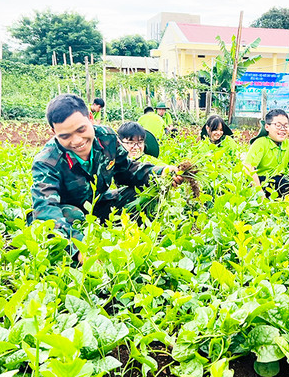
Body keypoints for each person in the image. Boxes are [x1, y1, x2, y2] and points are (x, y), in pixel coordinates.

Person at [30, 94, 186, 263]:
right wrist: (80, 249)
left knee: (141, 194)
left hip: (98, 207)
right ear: (54, 132)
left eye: (81, 130)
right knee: (68, 215)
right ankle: (77, 248)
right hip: (68, 217)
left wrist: (161, 172)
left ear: (90, 118)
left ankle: (129, 236)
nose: (77, 141)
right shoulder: (46, 161)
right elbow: (45, 209)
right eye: (65, 136)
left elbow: (126, 169)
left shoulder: (107, 138)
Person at [243, 109, 289, 196]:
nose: (283, 129)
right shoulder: (261, 143)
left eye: (286, 126)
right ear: (267, 127)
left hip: (280, 182)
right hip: (260, 182)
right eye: (278, 125)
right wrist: (259, 192)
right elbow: (248, 168)